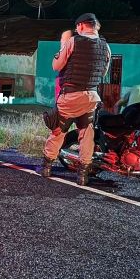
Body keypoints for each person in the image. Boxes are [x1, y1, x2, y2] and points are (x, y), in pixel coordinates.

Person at [41, 13, 111, 185]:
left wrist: (63, 45)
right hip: (91, 96)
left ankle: (47, 166)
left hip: (71, 96)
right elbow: (103, 73)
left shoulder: (73, 41)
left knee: (58, 130)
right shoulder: (105, 46)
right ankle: (82, 174)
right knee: (87, 133)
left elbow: (56, 65)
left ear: (80, 26)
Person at [54, 30, 74, 100]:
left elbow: (55, 67)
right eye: (62, 38)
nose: (62, 41)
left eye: (64, 39)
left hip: (66, 84)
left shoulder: (65, 51)